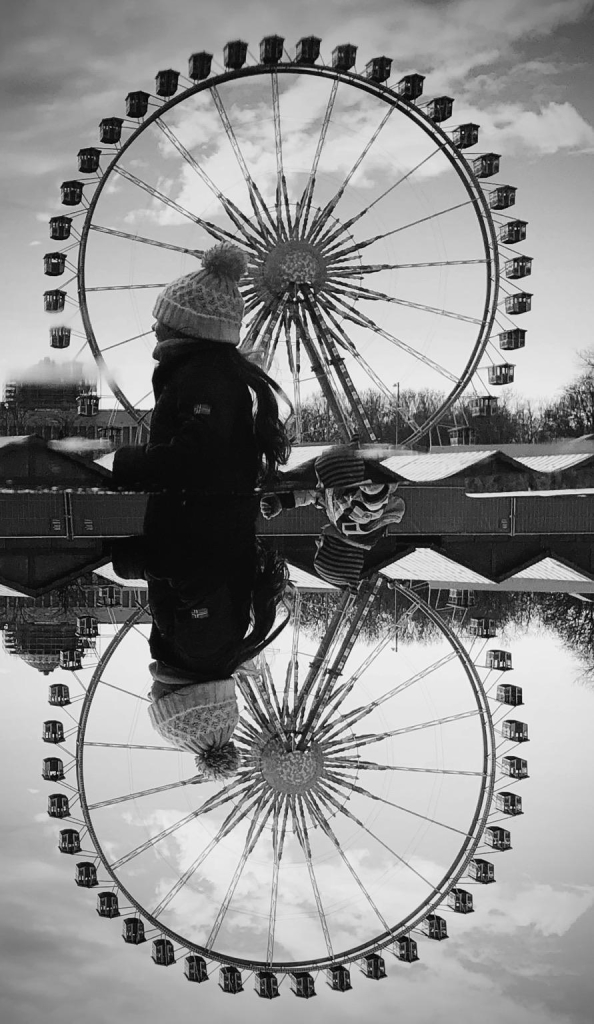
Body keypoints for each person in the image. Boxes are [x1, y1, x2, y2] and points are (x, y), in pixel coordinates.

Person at [111, 242, 291, 495]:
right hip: (208, 522)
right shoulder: (208, 372)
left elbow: (195, 457)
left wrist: (126, 461)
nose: (154, 327)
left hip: (200, 525)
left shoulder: (204, 378)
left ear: (185, 327)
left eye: (162, 319)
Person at [260, 444, 406, 588]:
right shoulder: (352, 526)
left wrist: (282, 501)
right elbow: (371, 505)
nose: (317, 542)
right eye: (320, 548)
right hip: (349, 461)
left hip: (344, 460)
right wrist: (365, 473)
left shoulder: (341, 521)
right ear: (336, 550)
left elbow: (314, 495)